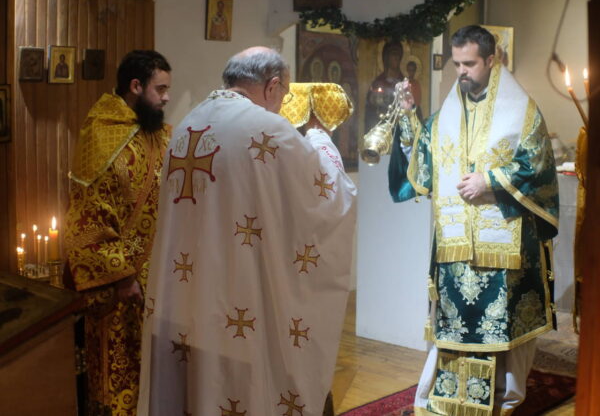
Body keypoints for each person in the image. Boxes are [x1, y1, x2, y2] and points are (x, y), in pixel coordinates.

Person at [138, 47, 356, 416]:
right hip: (242, 301)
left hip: (189, 299)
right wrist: (320, 137)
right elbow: (330, 194)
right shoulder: (267, 129)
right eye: (283, 95)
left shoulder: (186, 126)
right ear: (272, 86)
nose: (281, 106)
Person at [388, 25, 558, 416]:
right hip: (456, 246)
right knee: (453, 325)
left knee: (503, 325)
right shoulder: (449, 113)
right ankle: (443, 398)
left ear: (491, 60)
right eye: (457, 64)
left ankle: (504, 398)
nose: (461, 72)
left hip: (505, 242)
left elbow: (537, 165)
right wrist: (409, 116)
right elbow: (424, 163)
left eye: (469, 64)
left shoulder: (522, 111)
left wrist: (490, 181)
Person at [64, 50, 172, 415]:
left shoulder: (157, 133)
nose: (167, 98)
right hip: (119, 284)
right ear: (136, 86)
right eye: (161, 89)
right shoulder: (101, 135)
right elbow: (88, 214)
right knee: (118, 369)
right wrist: (122, 275)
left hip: (158, 275)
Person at [365, 41, 405, 131]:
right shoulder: (377, 83)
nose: (397, 57)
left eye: (398, 55)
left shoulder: (404, 83)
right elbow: (370, 111)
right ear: (386, 57)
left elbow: (412, 109)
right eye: (393, 54)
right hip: (381, 126)